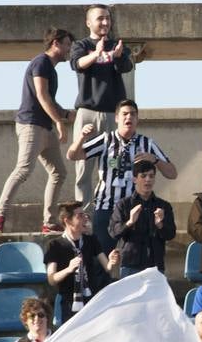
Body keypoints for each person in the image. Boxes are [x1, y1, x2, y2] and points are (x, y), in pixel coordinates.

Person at [0, 28, 73, 234]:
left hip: (45, 127)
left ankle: (49, 222)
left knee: (59, 172)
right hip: (31, 125)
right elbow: (42, 96)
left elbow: (49, 100)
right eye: (67, 44)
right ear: (55, 43)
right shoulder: (41, 62)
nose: (70, 49)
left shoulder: (51, 69)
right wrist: (60, 122)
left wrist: (69, 115)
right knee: (24, 169)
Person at [68, 98, 176, 252]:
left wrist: (155, 160)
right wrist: (81, 138)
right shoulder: (106, 140)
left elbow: (172, 173)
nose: (129, 117)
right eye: (125, 114)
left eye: (133, 114)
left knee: (135, 258)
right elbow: (72, 155)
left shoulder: (147, 144)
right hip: (106, 207)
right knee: (101, 259)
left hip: (135, 210)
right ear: (117, 118)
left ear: (137, 118)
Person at [69, 5, 135, 204]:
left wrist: (116, 56)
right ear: (89, 22)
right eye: (100, 18)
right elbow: (77, 64)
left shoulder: (117, 46)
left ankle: (110, 210)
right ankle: (84, 214)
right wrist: (96, 54)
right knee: (83, 167)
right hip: (87, 113)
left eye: (108, 18)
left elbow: (126, 66)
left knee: (112, 164)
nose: (105, 22)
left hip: (112, 115)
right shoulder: (81, 45)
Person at [44, 201, 117, 317]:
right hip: (69, 303)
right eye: (80, 216)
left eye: (85, 215)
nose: (85, 219)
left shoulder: (91, 240)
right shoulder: (54, 245)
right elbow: (51, 279)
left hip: (91, 300)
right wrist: (69, 269)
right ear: (67, 221)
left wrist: (112, 262)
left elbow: (107, 268)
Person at [108, 161, 176, 276]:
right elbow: (113, 232)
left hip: (155, 265)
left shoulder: (163, 205)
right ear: (135, 179)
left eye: (151, 176)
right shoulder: (124, 204)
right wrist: (129, 222)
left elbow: (171, 234)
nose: (148, 180)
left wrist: (160, 225)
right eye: (143, 176)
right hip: (131, 264)